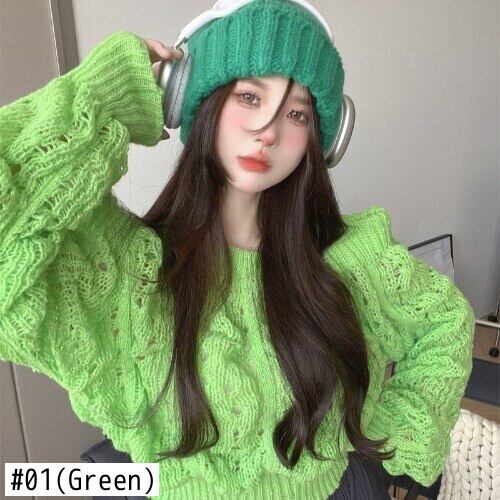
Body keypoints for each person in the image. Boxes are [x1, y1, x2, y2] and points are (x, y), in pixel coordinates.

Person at [0, 1, 475, 499]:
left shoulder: (351, 260)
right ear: (195, 100)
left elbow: (445, 323)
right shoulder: (129, 273)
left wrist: (390, 429)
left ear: (320, 139)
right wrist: (110, 90)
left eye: (296, 113)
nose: (268, 130)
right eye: (249, 96)